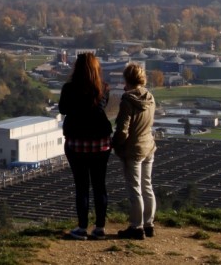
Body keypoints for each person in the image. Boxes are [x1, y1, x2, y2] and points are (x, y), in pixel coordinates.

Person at [58, 52, 112, 240]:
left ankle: (81, 227)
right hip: (101, 143)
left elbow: (63, 109)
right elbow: (101, 108)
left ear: (76, 68)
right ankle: (100, 227)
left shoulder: (68, 88)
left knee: (81, 186)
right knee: (99, 185)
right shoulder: (103, 88)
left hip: (77, 143)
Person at [111, 62, 157, 240]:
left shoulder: (127, 101)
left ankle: (136, 227)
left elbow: (123, 129)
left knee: (134, 189)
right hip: (149, 146)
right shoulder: (150, 97)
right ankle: (149, 223)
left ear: (126, 79)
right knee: (147, 186)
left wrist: (115, 144)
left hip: (133, 149)